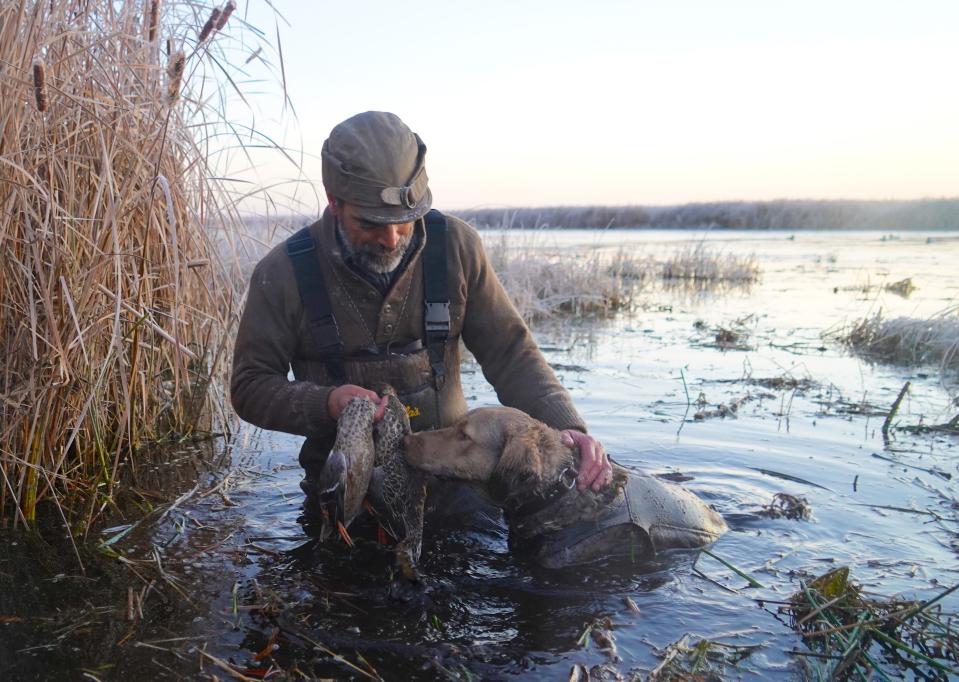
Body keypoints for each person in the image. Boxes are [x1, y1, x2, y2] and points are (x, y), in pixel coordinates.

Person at [230, 111, 611, 519]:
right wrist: (328, 403)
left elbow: (511, 354)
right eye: (371, 222)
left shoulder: (458, 248)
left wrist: (567, 430)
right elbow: (250, 386)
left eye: (405, 220)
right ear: (334, 202)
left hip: (456, 489)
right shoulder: (283, 272)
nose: (391, 238)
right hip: (345, 494)